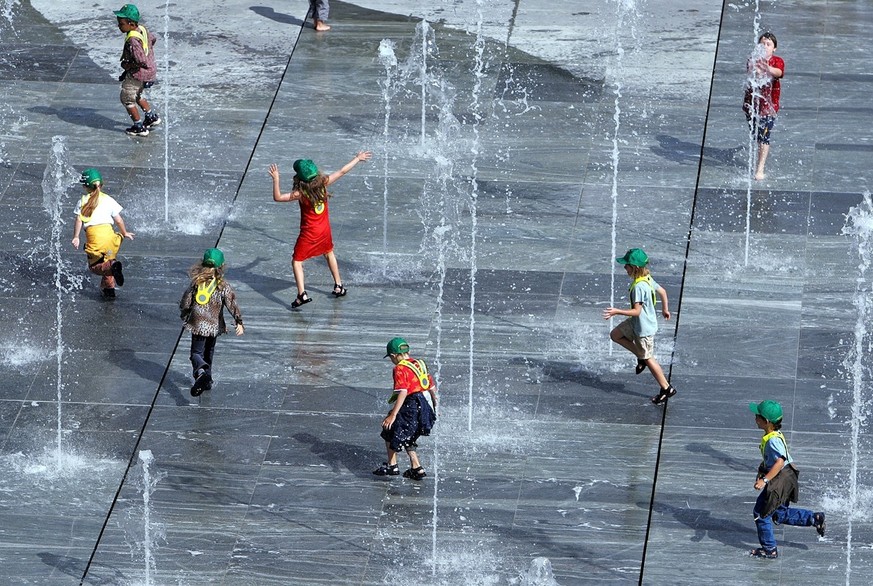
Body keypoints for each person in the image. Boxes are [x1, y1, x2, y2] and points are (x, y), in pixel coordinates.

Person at [268, 151, 372, 309]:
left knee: (297, 261)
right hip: (324, 230)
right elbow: (342, 171)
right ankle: (338, 285)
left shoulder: (301, 193)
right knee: (329, 253)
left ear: (300, 179)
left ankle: (302, 294)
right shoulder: (324, 183)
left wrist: (276, 179)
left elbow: (278, 197)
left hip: (309, 233)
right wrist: (357, 158)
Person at [748, 400, 826, 559]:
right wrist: (762, 470)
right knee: (779, 514)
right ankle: (813, 518)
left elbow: (780, 461)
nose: (755, 418)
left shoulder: (773, 440)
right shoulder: (772, 435)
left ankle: (769, 549)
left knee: (761, 513)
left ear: (767, 421)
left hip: (780, 479)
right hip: (787, 477)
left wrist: (765, 480)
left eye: (757, 415)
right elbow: (773, 460)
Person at [603, 248, 675, 404]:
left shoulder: (638, 287)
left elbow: (636, 311)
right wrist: (665, 309)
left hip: (643, 329)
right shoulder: (646, 277)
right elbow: (662, 291)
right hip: (639, 322)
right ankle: (640, 357)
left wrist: (616, 311)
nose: (624, 268)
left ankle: (666, 388)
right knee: (615, 335)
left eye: (627, 265)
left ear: (634, 268)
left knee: (649, 358)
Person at [179, 248, 244, 397]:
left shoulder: (197, 282)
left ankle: (201, 373)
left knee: (196, 353)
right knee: (209, 351)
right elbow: (232, 303)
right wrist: (238, 321)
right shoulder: (222, 285)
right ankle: (207, 381)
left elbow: (186, 301)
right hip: (213, 326)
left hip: (198, 324)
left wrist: (184, 312)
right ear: (222, 266)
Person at [373, 337, 437, 480]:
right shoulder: (420, 364)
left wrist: (393, 414)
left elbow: (403, 391)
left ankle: (392, 466)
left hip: (411, 405)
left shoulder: (400, 368)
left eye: (390, 357)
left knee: (389, 428)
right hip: (425, 406)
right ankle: (416, 468)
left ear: (394, 355)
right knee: (410, 434)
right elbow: (432, 387)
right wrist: (434, 407)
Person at [71, 168, 134, 299]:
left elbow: (79, 220)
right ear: (102, 184)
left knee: (95, 266)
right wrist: (125, 232)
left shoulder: (83, 201)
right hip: (111, 238)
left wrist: (76, 237)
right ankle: (109, 289)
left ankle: (112, 267)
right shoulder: (108, 199)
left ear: (84, 186)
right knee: (108, 258)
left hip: (96, 240)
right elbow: (119, 220)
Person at [114, 4, 161, 136]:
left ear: (131, 23)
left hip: (138, 74)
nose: (119, 26)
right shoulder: (142, 29)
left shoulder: (133, 40)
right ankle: (151, 117)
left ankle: (139, 126)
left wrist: (127, 65)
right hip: (150, 70)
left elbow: (141, 61)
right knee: (138, 94)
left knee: (127, 98)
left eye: (121, 23)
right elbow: (153, 39)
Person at [743, 32, 784, 181]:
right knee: (755, 135)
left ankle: (760, 169)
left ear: (774, 48)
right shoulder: (753, 60)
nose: (765, 47)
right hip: (751, 107)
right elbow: (751, 73)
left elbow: (779, 73)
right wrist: (757, 70)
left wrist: (767, 69)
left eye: (768, 44)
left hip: (769, 108)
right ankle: (759, 155)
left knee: (764, 137)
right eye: (762, 43)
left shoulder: (777, 61)